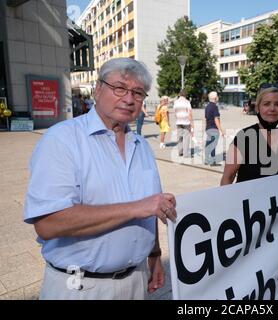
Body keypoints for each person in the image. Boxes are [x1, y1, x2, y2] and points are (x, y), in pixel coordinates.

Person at [23, 57, 177, 300]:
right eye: (119, 88)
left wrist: (155, 254)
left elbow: (152, 205)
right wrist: (136, 208)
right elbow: (48, 223)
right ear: (98, 89)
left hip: (136, 281)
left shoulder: (142, 146)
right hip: (81, 287)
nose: (128, 99)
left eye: (138, 93)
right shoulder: (61, 140)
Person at [220, 86, 278, 185]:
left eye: (277, 104)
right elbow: (227, 178)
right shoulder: (243, 137)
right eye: (266, 104)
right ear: (257, 108)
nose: (272, 108)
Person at [204, 91, 225, 166]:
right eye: (217, 96)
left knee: (208, 144)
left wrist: (205, 128)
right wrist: (220, 129)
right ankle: (212, 162)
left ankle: (206, 160)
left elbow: (206, 119)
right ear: (215, 98)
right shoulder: (215, 107)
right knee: (213, 145)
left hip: (208, 128)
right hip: (214, 128)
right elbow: (216, 119)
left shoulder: (207, 106)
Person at [173, 89, 193, 158]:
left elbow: (174, 112)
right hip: (186, 121)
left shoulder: (176, 102)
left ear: (179, 94)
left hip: (178, 121)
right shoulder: (187, 102)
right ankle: (185, 154)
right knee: (186, 137)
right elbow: (189, 113)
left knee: (180, 137)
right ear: (185, 95)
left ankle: (180, 152)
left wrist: (178, 118)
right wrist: (191, 123)